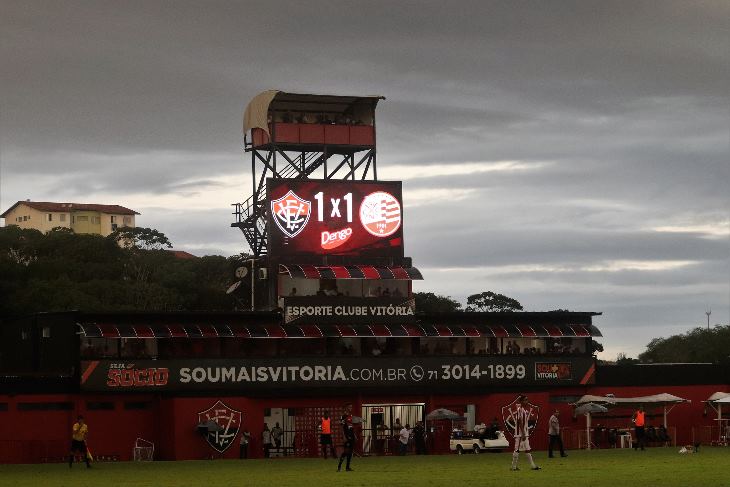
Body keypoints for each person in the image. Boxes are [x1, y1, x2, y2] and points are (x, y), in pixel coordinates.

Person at [511, 395, 540, 471]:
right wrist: (523, 433)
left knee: (527, 449)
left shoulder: (522, 409)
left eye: (527, 400)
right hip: (520, 434)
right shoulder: (520, 409)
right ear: (521, 401)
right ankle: (513, 467)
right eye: (525, 400)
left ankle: (533, 466)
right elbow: (519, 421)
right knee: (517, 449)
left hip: (524, 433)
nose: (527, 401)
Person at [337, 404, 355, 472]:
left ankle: (347, 467)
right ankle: (339, 466)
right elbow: (341, 427)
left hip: (351, 436)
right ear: (346, 408)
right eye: (349, 407)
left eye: (351, 407)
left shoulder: (350, 416)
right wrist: (344, 436)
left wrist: (354, 435)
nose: (351, 408)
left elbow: (351, 426)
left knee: (350, 452)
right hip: (347, 436)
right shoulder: (343, 416)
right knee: (346, 451)